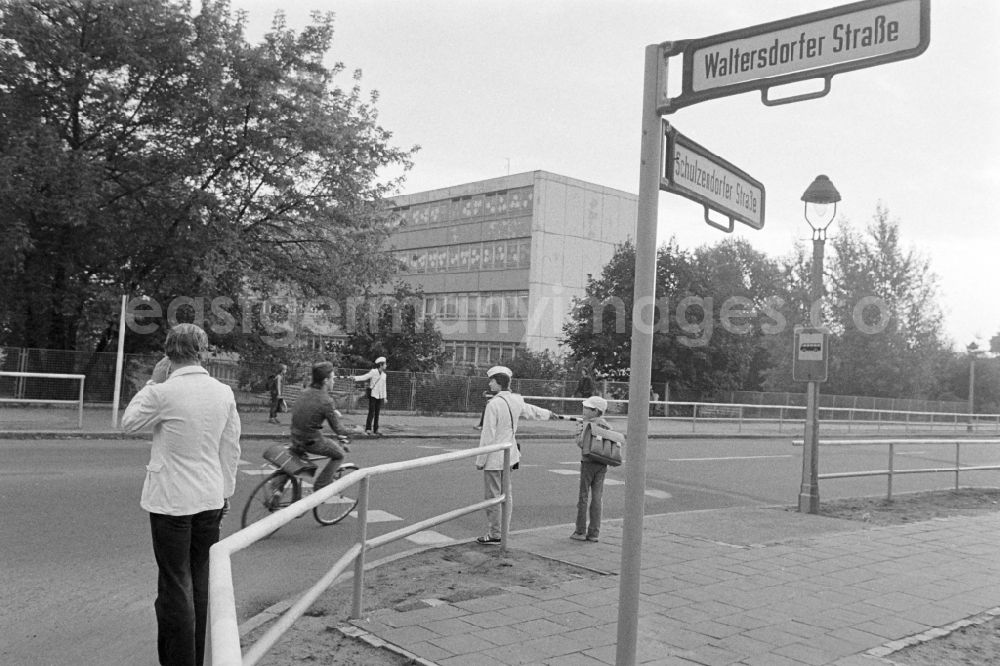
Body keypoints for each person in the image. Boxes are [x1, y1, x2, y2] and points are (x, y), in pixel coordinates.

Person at [121, 324, 241, 666]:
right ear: (203, 352)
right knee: (200, 579)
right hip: (208, 498)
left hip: (171, 501)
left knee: (175, 584)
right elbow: (230, 448)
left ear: (167, 354)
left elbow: (129, 422)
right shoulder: (223, 392)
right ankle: (198, 657)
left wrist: (153, 382)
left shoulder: (163, 392)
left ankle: (178, 661)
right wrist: (225, 492)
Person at [475, 365, 557, 545]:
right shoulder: (516, 400)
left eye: (492, 380)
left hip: (493, 457)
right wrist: (549, 414)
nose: (490, 383)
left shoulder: (493, 404)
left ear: (498, 383)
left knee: (493, 496)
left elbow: (488, 434)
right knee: (507, 493)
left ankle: (495, 533)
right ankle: (504, 531)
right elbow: (531, 410)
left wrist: (480, 460)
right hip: (510, 454)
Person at [290, 361, 350, 492]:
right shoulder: (326, 400)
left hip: (295, 436)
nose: (334, 382)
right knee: (339, 454)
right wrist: (356, 431)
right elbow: (338, 429)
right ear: (325, 381)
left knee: (292, 462)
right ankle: (320, 488)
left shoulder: (304, 392)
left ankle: (277, 490)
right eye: (332, 378)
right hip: (311, 441)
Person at [570, 395, 614, 543]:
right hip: (602, 464)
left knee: (583, 496)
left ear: (595, 411)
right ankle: (594, 532)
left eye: (587, 408)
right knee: (597, 497)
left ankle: (580, 531)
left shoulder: (586, 425)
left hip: (588, 462)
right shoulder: (607, 426)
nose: (584, 410)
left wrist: (578, 433)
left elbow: (582, 443)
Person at [353, 356, 387, 436]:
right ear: (381, 365)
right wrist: (354, 378)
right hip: (373, 395)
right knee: (371, 412)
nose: (386, 365)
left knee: (377, 413)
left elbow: (384, 386)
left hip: (380, 396)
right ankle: (368, 428)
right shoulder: (373, 372)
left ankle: (376, 429)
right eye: (385, 364)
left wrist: (385, 397)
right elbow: (365, 377)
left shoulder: (384, 375)